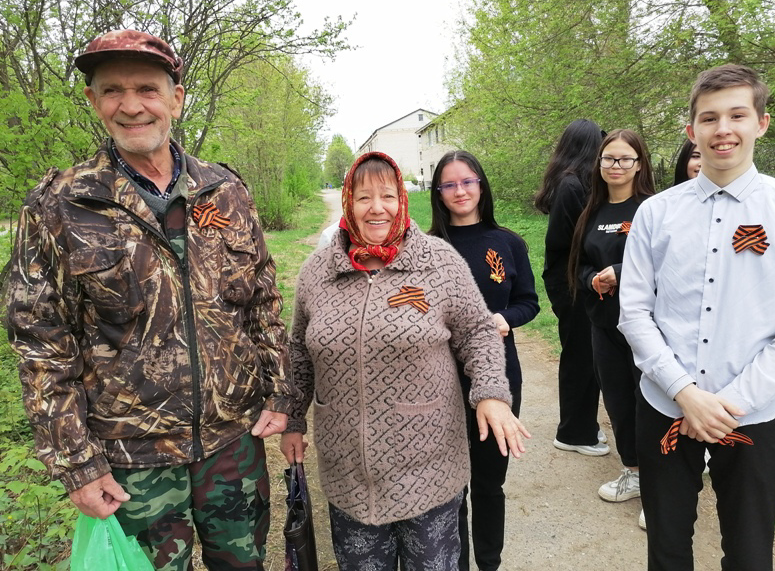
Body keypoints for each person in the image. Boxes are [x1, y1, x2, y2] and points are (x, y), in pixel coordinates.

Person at [5, 30, 294, 571]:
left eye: (147, 89)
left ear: (176, 98)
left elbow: (262, 303)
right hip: (129, 463)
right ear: (92, 101)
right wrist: (76, 464)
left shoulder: (226, 191)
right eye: (112, 90)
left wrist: (281, 393)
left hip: (234, 446)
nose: (131, 106)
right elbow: (41, 346)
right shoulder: (59, 205)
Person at [281, 151, 529, 571]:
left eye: (388, 195)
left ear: (404, 200)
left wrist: (490, 394)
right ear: (348, 202)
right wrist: (292, 419)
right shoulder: (316, 272)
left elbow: (478, 333)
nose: (376, 208)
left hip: (428, 467)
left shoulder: (440, 262)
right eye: (363, 197)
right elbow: (299, 353)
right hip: (347, 472)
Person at [619, 64, 775, 570]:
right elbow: (634, 312)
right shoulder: (656, 213)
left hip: (755, 415)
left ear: (760, 123)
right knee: (668, 547)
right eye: (709, 118)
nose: (723, 129)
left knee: (748, 551)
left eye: (737, 115)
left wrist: (728, 404)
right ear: (691, 131)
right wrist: (684, 392)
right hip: (665, 406)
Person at [429, 150, 540, 571]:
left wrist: (503, 320)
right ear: (438, 193)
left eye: (467, 181)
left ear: (481, 185)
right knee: (449, 487)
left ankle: (489, 563)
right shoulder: (428, 248)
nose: (460, 191)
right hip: (439, 382)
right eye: (450, 184)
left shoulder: (507, 243)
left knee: (489, 483)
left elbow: (529, 302)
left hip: (499, 378)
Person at [567, 129, 655, 518]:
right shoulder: (592, 211)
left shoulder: (653, 208)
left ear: (640, 164)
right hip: (604, 325)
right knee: (619, 403)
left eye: (624, 159)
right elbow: (580, 263)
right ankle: (633, 472)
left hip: (650, 328)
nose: (615, 166)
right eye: (608, 159)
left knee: (651, 405)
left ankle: (660, 487)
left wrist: (619, 271)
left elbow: (668, 263)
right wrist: (591, 278)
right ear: (598, 164)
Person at [534, 119, 609, 456]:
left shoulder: (577, 182)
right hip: (570, 283)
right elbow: (568, 241)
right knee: (580, 356)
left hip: (577, 279)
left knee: (587, 354)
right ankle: (574, 433)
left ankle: (584, 426)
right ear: (588, 146)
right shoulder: (570, 186)